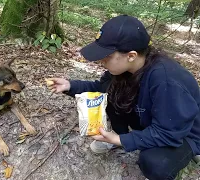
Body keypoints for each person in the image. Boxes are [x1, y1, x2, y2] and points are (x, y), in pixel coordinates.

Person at [47, 15, 200, 180]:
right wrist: (69, 86)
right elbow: (101, 89)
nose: (101, 61)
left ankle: (190, 154)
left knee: (154, 164)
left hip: (183, 132)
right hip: (152, 119)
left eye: (107, 56)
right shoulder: (126, 69)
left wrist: (121, 140)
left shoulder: (166, 80)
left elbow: (168, 132)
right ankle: (118, 139)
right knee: (112, 94)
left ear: (131, 55)